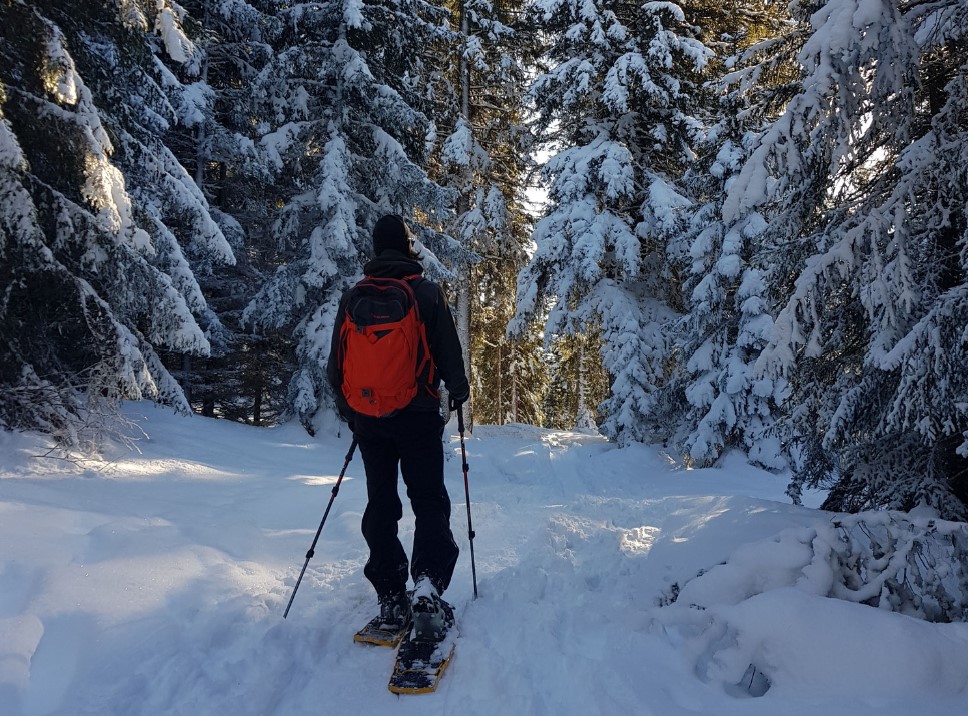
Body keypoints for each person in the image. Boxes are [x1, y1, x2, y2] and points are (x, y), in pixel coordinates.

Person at [326, 214, 470, 640]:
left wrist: (354, 414)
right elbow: (449, 355)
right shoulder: (425, 293)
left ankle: (391, 594)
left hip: (371, 422)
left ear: (375, 249)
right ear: (408, 248)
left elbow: (336, 369)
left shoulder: (354, 297)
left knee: (381, 505)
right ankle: (427, 587)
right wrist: (457, 395)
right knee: (428, 500)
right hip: (418, 416)